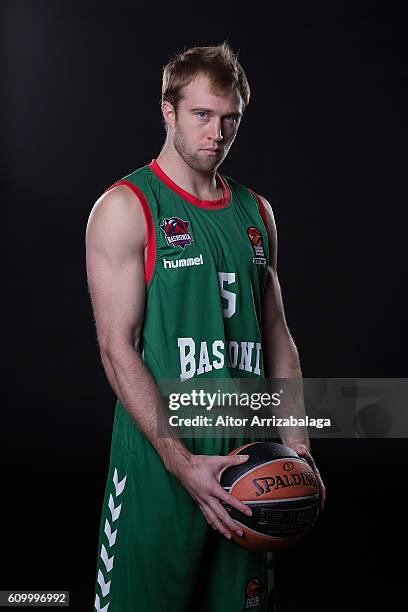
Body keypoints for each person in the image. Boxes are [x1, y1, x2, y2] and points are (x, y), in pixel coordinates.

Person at [86, 42, 325, 612]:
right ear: (168, 111)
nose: (217, 133)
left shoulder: (256, 214)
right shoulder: (126, 207)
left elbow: (278, 337)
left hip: (247, 462)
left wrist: (296, 447)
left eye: (230, 120)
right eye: (202, 115)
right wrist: (181, 461)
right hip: (160, 459)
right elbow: (116, 349)